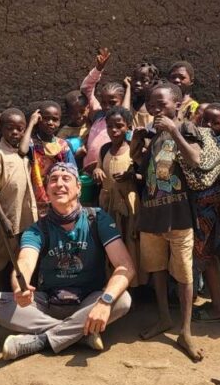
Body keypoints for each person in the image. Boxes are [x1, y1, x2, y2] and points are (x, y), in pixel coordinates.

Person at [0, 162, 135, 361]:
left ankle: (41, 339)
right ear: (47, 191)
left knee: (122, 299)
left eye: (66, 178)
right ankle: (79, 334)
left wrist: (104, 302)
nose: (59, 184)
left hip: (88, 303)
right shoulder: (37, 229)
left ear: (79, 188)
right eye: (53, 180)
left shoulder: (97, 219)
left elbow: (125, 266)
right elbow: (25, 262)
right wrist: (20, 287)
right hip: (47, 303)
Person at [132, 82, 205, 362]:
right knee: (157, 270)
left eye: (161, 104)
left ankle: (185, 330)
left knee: (184, 274)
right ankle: (164, 317)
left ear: (177, 105)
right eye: (152, 105)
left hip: (179, 217)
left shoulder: (185, 128)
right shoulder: (152, 135)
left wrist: (174, 131)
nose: (155, 109)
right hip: (152, 216)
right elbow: (143, 171)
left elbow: (196, 159)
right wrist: (138, 145)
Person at [0, 109, 38, 291]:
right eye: (10, 128)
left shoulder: (22, 154)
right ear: (1, 130)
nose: (15, 132)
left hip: (25, 217)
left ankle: (16, 296)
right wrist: (2, 218)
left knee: (20, 258)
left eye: (19, 129)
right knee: (1, 259)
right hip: (7, 217)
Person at [93, 106, 142, 285]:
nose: (114, 130)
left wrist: (131, 176)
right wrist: (97, 170)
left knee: (130, 244)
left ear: (128, 127)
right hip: (108, 205)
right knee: (111, 245)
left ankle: (133, 289)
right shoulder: (105, 149)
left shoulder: (133, 149)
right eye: (110, 126)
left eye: (119, 126)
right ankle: (112, 285)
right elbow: (99, 166)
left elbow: (143, 177)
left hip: (128, 205)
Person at [191, 103, 220, 324]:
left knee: (204, 256)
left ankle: (217, 307)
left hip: (206, 210)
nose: (208, 125)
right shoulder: (207, 142)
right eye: (205, 120)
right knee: (209, 256)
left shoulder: (215, 146)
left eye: (214, 122)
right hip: (209, 209)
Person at [19, 101, 77, 217]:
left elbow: (73, 174)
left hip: (59, 197)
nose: (50, 123)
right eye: (46, 119)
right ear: (39, 119)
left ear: (60, 121)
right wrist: (31, 123)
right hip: (36, 199)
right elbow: (22, 150)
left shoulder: (63, 146)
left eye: (55, 119)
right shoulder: (32, 143)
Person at [81, 47, 130, 174]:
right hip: (90, 172)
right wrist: (98, 69)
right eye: (104, 102)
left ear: (122, 101)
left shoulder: (122, 122)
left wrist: (128, 88)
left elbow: (125, 110)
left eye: (113, 103)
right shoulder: (98, 115)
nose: (107, 106)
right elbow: (86, 89)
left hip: (111, 171)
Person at [131, 62, 160, 129]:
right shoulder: (129, 102)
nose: (137, 83)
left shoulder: (155, 108)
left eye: (143, 80)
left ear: (153, 83)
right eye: (135, 79)